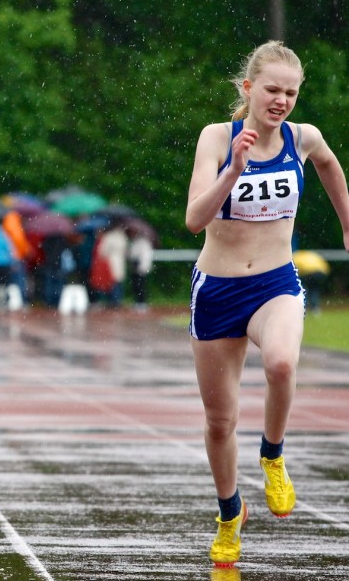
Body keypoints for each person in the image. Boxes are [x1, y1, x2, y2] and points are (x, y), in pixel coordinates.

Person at [185, 42, 349, 568]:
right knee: (219, 422)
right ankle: (230, 513)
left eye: (291, 93)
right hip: (217, 289)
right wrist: (231, 170)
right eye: (272, 90)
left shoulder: (304, 139)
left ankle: (273, 454)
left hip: (275, 282)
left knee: (282, 362)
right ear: (248, 88)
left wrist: (348, 223)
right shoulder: (218, 138)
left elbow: (328, 167)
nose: (281, 101)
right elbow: (193, 220)